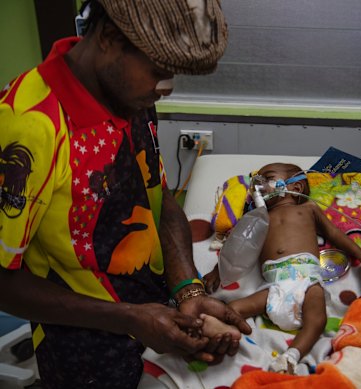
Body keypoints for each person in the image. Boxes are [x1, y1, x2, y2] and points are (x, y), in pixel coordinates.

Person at [0, 0, 252, 387]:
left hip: (153, 311)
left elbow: (159, 199)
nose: (166, 88)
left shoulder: (128, 93)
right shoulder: (30, 128)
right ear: (110, 37)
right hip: (82, 347)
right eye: (159, 71)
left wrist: (188, 289)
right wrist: (131, 318)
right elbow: (4, 283)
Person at [204, 163, 361, 374]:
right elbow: (236, 248)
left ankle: (291, 357)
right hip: (274, 285)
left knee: (317, 319)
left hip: (306, 279)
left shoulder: (308, 209)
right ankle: (230, 334)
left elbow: (335, 234)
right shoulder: (258, 217)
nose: (258, 185)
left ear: (295, 188)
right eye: (256, 181)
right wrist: (216, 272)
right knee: (233, 309)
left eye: (267, 178)